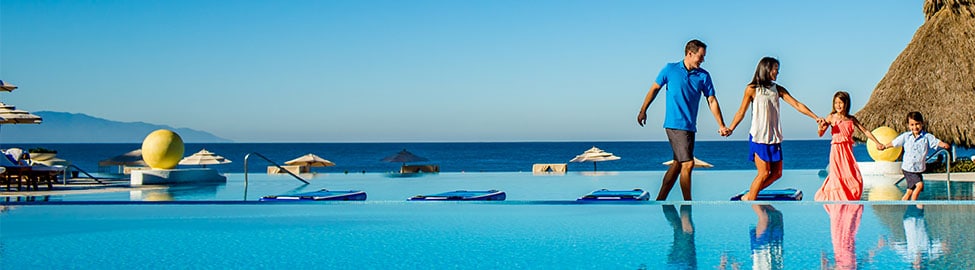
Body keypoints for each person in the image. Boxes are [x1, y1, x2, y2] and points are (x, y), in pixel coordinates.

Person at [637, 39, 730, 201]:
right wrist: (643, 110)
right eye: (700, 56)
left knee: (677, 164)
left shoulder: (703, 76)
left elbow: (712, 100)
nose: (703, 60)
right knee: (688, 164)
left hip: (689, 126)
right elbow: (654, 89)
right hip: (674, 124)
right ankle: (688, 204)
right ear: (690, 53)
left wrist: (721, 124)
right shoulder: (670, 69)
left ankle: (660, 200)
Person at [727, 57, 823, 201]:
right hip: (759, 136)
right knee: (764, 173)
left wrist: (815, 117)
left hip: (773, 137)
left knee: (777, 173)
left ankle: (749, 196)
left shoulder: (777, 89)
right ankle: (753, 205)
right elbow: (741, 111)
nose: (777, 72)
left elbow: (797, 104)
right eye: (775, 69)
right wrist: (731, 128)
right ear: (766, 69)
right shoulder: (752, 89)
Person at [814, 91, 885, 201]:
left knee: (852, 175)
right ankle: (838, 199)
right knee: (837, 175)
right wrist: (820, 127)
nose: (838, 105)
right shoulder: (831, 117)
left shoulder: (851, 119)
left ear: (846, 104)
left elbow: (865, 131)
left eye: (841, 102)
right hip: (836, 150)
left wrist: (877, 143)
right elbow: (820, 134)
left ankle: (848, 197)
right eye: (836, 102)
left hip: (847, 151)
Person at [880, 112, 951, 200]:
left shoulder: (927, 137)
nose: (915, 127)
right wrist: (884, 146)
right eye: (912, 125)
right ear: (908, 125)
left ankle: (904, 205)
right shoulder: (906, 136)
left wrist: (943, 144)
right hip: (908, 168)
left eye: (917, 124)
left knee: (909, 191)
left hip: (918, 169)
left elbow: (936, 142)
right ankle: (914, 205)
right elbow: (894, 143)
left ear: (922, 123)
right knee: (920, 185)